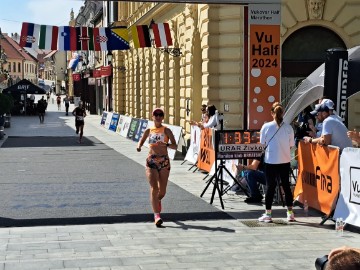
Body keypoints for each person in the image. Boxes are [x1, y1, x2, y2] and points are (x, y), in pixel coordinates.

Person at [136, 108, 177, 227]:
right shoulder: (149, 130)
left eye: (160, 115)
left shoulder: (167, 130)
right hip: (152, 160)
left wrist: (167, 144)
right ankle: (157, 215)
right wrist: (138, 146)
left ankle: (158, 200)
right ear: (152, 116)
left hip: (164, 161)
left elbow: (174, 146)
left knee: (162, 191)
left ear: (163, 117)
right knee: (154, 188)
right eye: (156, 114)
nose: (158, 116)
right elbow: (141, 140)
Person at [258, 102, 295, 223]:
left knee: (270, 187)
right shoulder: (289, 128)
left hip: (271, 161)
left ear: (272, 113)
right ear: (282, 113)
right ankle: (290, 214)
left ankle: (268, 214)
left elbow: (262, 144)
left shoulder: (266, 126)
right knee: (286, 186)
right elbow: (291, 146)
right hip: (285, 160)